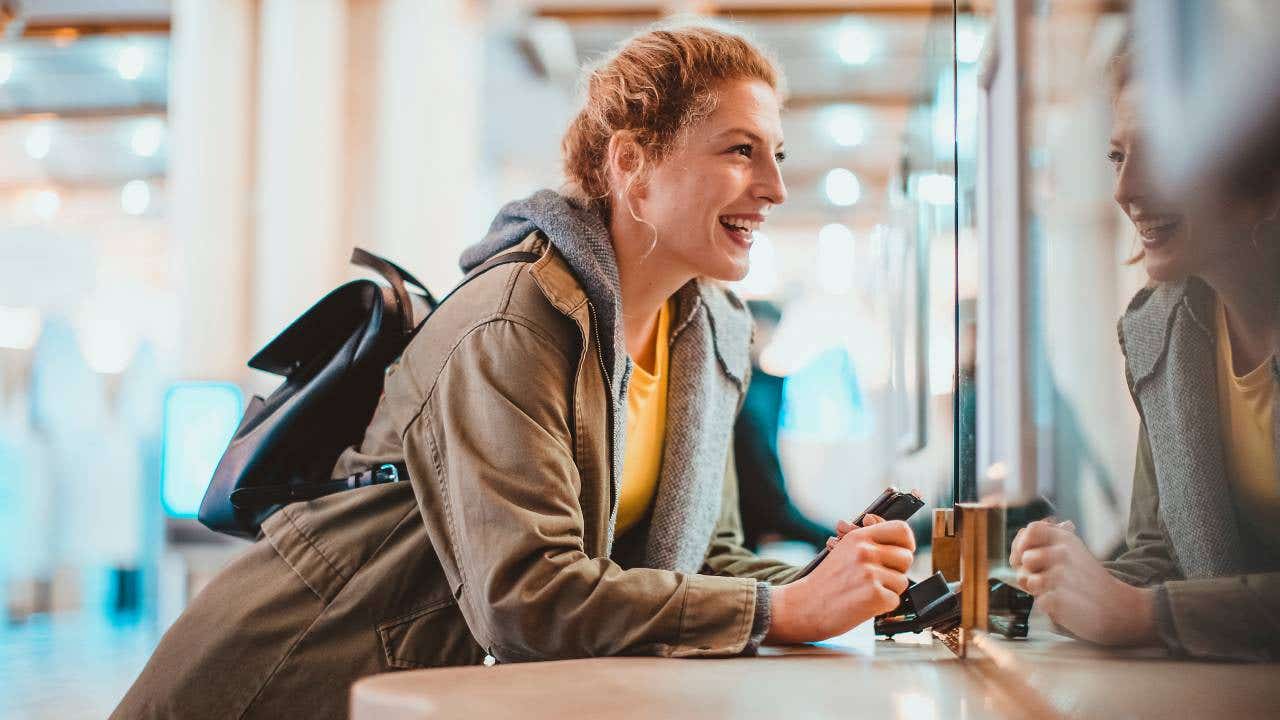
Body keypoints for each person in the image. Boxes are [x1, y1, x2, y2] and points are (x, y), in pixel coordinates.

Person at [113, 25, 916, 719]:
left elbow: (707, 560)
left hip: (417, 691)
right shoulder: (514, 319)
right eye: (741, 151)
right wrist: (783, 608)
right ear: (633, 165)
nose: (773, 188)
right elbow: (527, 596)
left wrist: (842, 584)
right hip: (286, 676)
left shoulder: (709, 337)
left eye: (775, 155)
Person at [1010, 48, 1280, 661]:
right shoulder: (1157, 327)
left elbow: (1152, 603)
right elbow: (1161, 550)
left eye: (1158, 154)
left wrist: (1143, 613)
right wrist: (1044, 587)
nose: (1126, 190)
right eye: (1118, 156)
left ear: (1259, 162)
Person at [734, 300, 833, 551]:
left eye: (768, 332)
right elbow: (768, 499)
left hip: (755, 520)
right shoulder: (747, 396)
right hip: (746, 516)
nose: (763, 339)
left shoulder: (765, 388)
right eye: (759, 330)